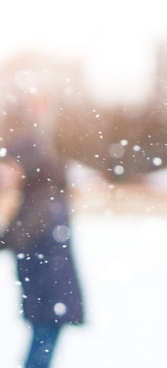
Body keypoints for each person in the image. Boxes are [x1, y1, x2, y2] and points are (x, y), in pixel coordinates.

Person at [0, 86, 85, 368]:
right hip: (47, 285)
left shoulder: (40, 198)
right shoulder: (41, 192)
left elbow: (19, 235)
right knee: (43, 343)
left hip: (49, 284)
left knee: (42, 345)